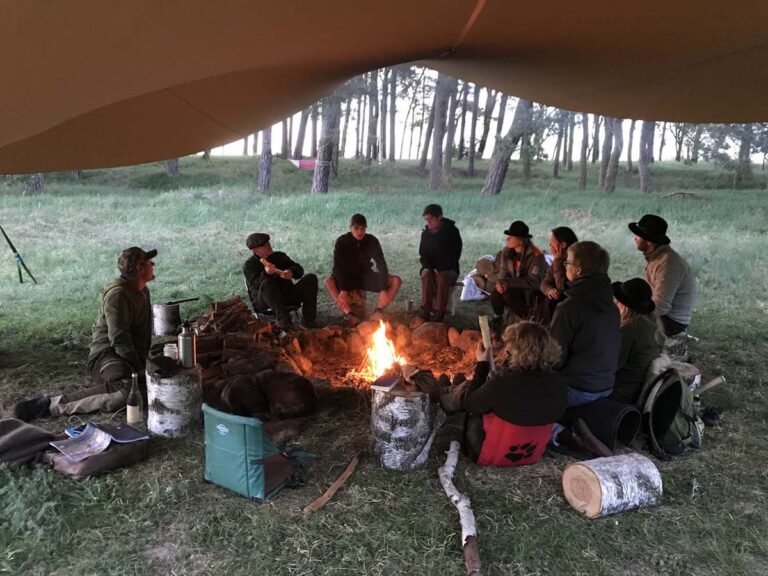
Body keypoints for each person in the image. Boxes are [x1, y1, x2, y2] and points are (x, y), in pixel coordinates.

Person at [14, 247, 156, 420]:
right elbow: (118, 338)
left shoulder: (142, 291)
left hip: (130, 354)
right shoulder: (118, 294)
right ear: (140, 268)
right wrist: (139, 368)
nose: (153, 264)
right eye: (149, 262)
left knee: (154, 384)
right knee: (125, 390)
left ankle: (134, 379)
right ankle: (49, 405)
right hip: (107, 353)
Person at [444, 322, 568, 466]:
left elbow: (471, 405)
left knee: (467, 393)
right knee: (472, 389)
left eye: (508, 346)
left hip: (494, 451)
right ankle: (452, 386)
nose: (506, 349)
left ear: (516, 351)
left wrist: (482, 365)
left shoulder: (506, 381)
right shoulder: (559, 382)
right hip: (533, 448)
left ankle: (444, 390)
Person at [549, 241, 621, 404]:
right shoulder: (612, 307)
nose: (565, 266)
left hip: (577, 389)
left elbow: (554, 358)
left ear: (578, 270)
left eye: (567, 262)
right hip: (607, 385)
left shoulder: (570, 307)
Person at [629, 214, 696, 360]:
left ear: (648, 241)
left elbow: (661, 307)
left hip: (672, 321)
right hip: (665, 315)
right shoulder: (657, 257)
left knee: (628, 325)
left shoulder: (668, 264)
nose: (635, 238)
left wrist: (632, 312)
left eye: (638, 236)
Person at [324, 213, 402, 325]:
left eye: (363, 228)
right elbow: (338, 268)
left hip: (366, 277)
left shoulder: (371, 240)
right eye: (356, 228)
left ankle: (378, 311)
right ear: (350, 228)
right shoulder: (342, 242)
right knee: (328, 281)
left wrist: (383, 288)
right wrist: (343, 289)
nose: (360, 232)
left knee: (396, 280)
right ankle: (349, 314)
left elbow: (381, 264)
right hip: (348, 278)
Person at [243, 233, 318, 329]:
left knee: (311, 278)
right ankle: (285, 323)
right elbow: (254, 285)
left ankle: (309, 321)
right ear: (255, 250)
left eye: (268, 243)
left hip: (287, 295)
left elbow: (299, 270)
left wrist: (292, 272)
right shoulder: (250, 265)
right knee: (267, 283)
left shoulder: (279, 256)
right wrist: (266, 274)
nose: (269, 245)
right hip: (266, 301)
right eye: (264, 245)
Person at [609, 278, 665, 405]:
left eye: (618, 301)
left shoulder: (630, 330)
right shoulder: (654, 325)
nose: (616, 304)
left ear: (626, 307)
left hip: (622, 391)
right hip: (637, 387)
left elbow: (611, 366)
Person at [490, 221, 548, 327]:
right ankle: (497, 317)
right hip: (512, 285)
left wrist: (509, 283)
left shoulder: (536, 256)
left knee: (508, 296)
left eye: (511, 237)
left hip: (530, 290)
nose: (507, 239)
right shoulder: (507, 252)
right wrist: (501, 283)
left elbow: (534, 282)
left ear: (520, 240)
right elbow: (503, 272)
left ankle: (529, 320)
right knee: (495, 294)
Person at [418, 204, 462, 322]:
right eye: (426, 220)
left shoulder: (452, 231)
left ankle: (439, 311)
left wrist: (441, 268)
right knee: (426, 273)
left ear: (439, 217)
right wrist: (431, 267)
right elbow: (423, 254)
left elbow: (454, 254)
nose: (429, 222)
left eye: (431, 219)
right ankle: (426, 309)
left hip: (449, 268)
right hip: (432, 268)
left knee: (442, 277)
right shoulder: (426, 234)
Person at [539, 226, 578, 321]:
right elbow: (544, 282)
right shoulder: (557, 259)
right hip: (560, 300)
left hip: (572, 301)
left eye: (552, 241)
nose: (549, 244)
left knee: (553, 300)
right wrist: (549, 290)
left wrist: (557, 261)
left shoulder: (574, 261)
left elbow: (562, 287)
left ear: (563, 244)